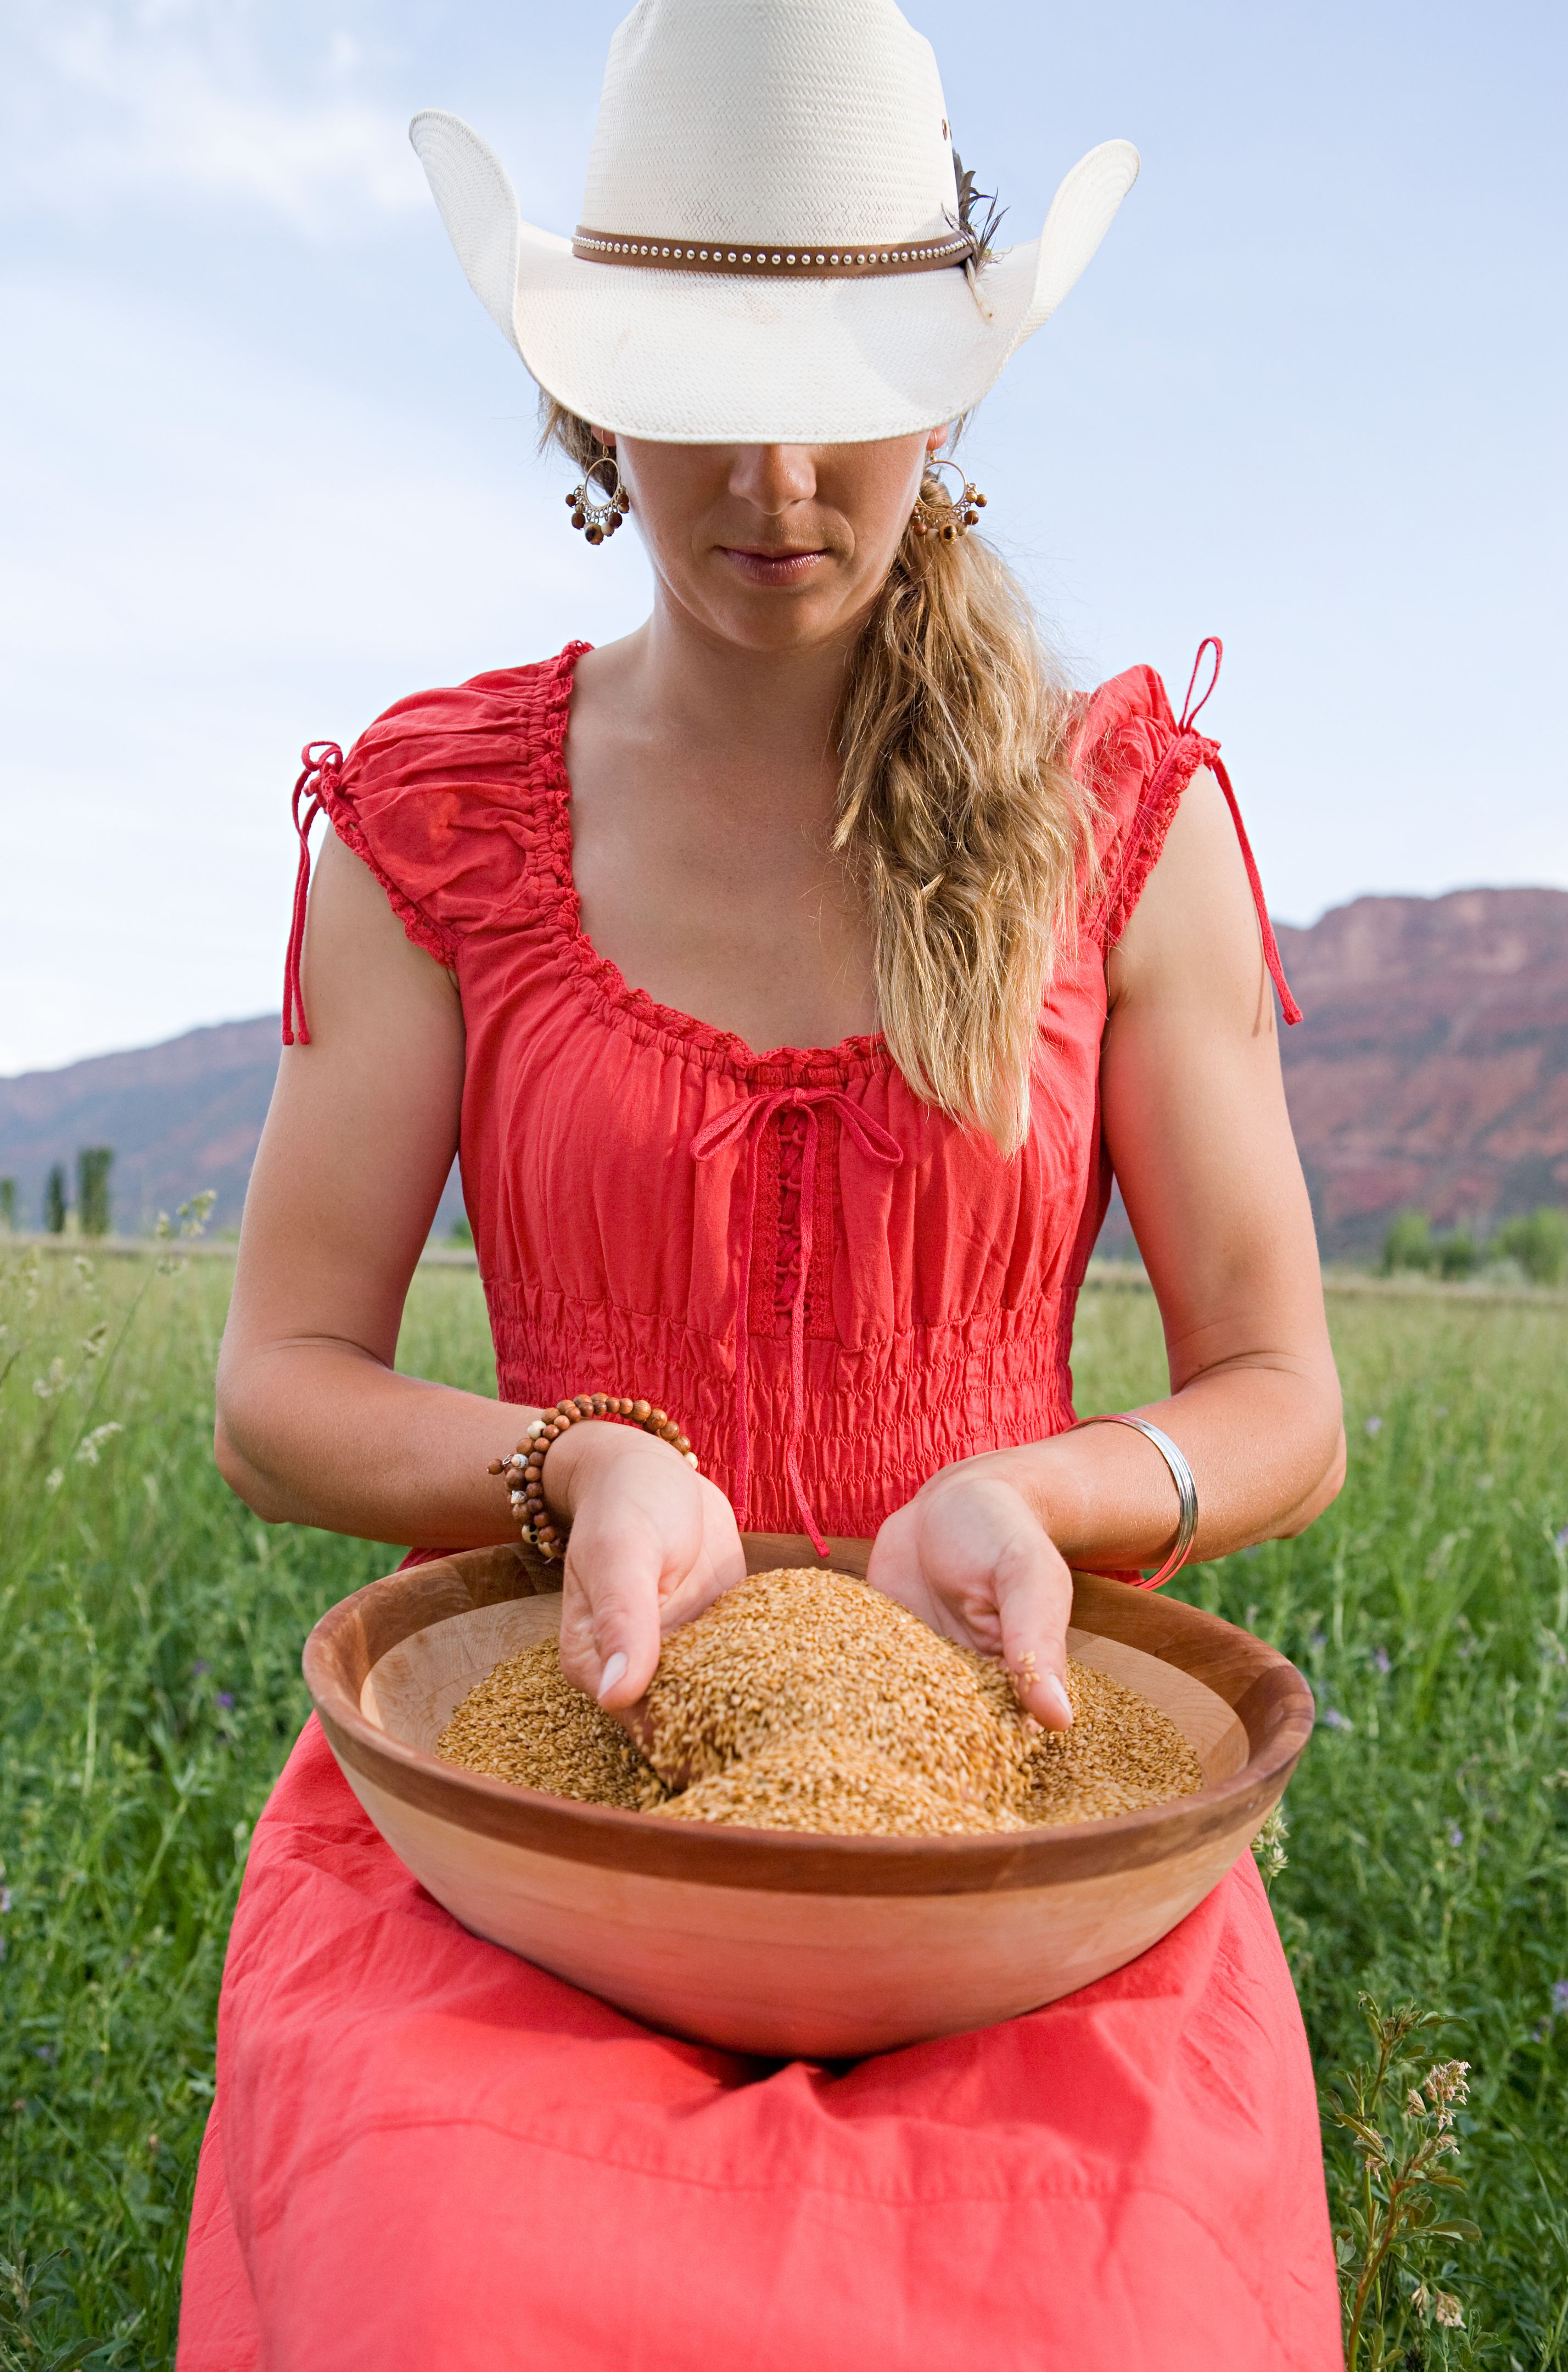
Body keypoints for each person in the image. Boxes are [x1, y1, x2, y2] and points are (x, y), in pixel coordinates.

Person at [180, 2, 1348, 2364]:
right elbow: (274, 1388)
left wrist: (1050, 1492)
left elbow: (1281, 1397)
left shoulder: (1132, 823)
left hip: (1015, 1826)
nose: (777, 474)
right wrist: (570, 1456)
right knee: (461, 2277)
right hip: (525, 1796)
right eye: (696, 383)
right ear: (587, 390)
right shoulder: (440, 827)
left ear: (958, 389)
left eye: (848, 385)